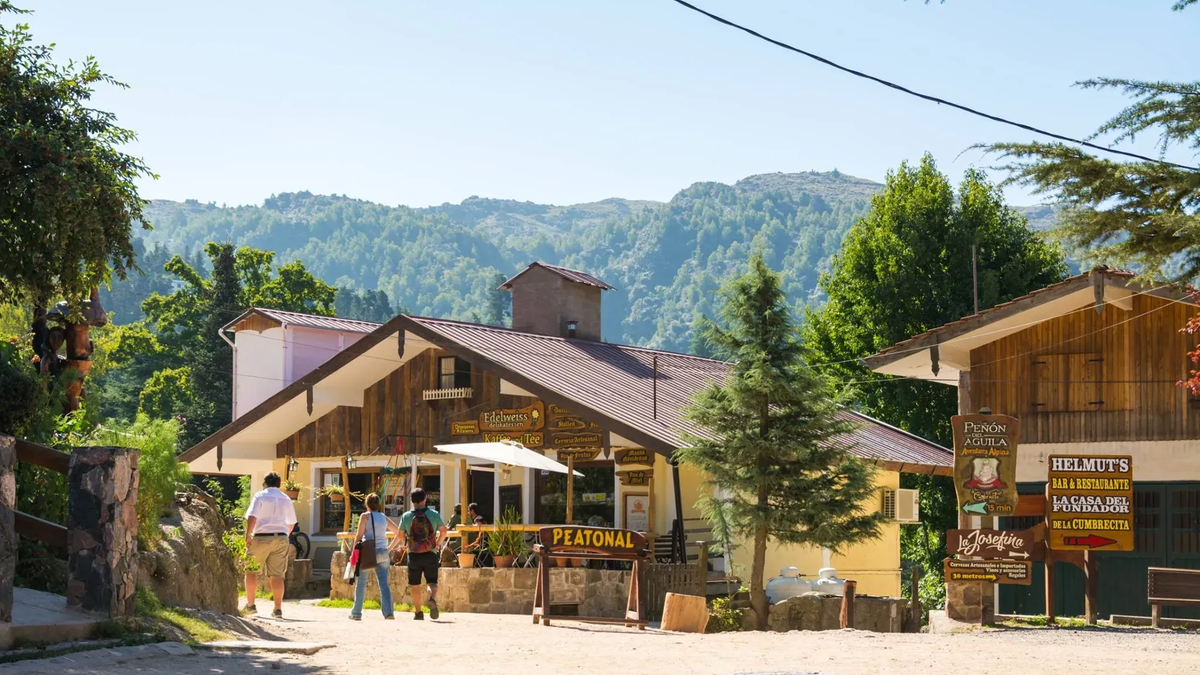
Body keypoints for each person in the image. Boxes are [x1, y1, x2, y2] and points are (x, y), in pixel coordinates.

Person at [244, 472, 298, 618]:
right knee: (278, 575)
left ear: (265, 483)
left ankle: (250, 605)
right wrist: (284, 535)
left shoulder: (260, 496)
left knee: (251, 571)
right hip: (281, 537)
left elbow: (253, 516)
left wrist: (248, 535)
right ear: (279, 484)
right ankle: (277, 609)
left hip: (261, 537)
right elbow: (291, 522)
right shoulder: (286, 499)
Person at [350, 493, 402, 621]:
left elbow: (359, 536)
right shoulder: (383, 517)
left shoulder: (365, 516)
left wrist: (353, 551)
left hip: (368, 552)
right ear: (378, 505)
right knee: (384, 585)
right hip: (383, 552)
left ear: (367, 504)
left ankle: (356, 613)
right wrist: (390, 547)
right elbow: (399, 533)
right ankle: (389, 612)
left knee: (361, 583)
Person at [397, 488, 447, 620]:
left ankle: (418, 612)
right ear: (425, 499)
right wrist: (437, 544)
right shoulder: (434, 514)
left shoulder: (406, 516)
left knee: (415, 585)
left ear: (411, 501)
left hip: (413, 554)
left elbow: (400, 535)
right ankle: (431, 598)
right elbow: (443, 531)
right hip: (430, 552)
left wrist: (408, 542)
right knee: (432, 583)